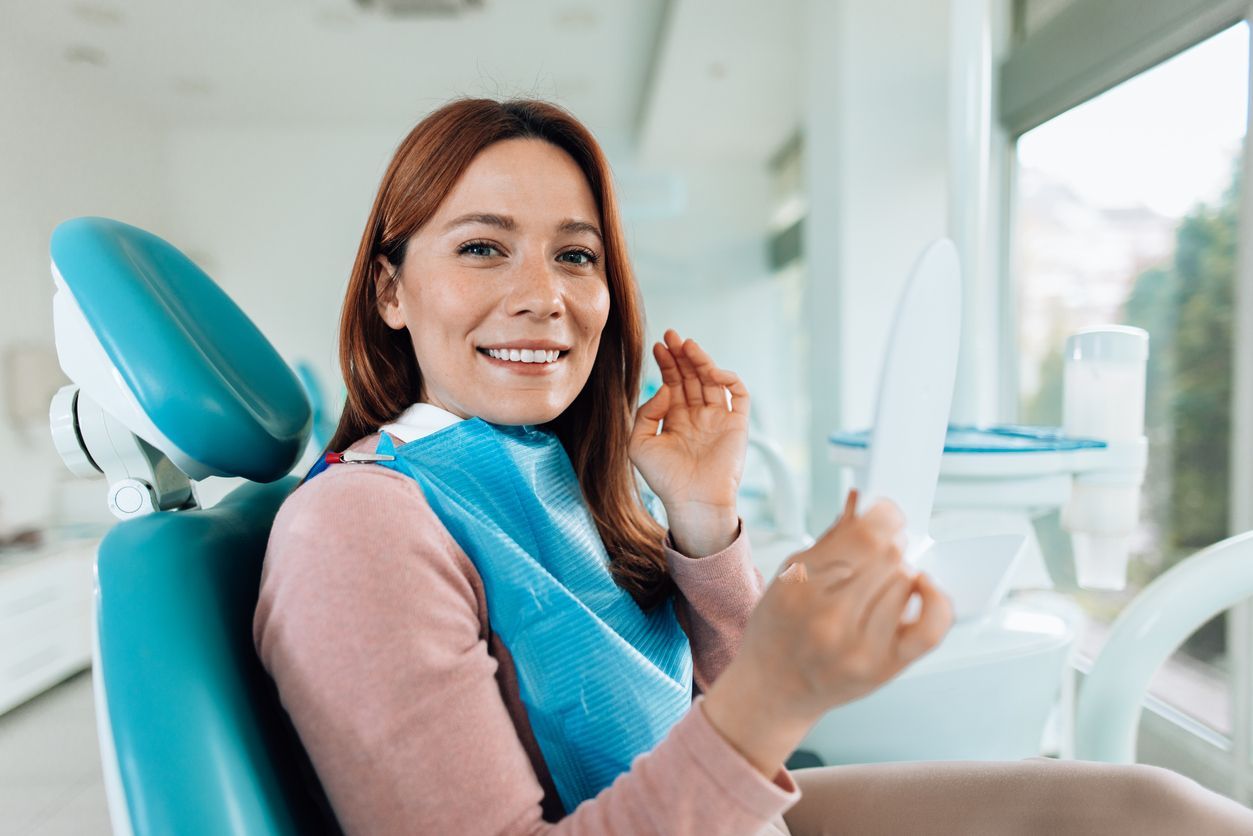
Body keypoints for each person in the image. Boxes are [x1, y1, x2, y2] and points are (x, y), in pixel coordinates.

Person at [253, 98, 1253, 835]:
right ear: (389, 288)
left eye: (574, 255)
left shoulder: (535, 468)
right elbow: (746, 720)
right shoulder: (354, 527)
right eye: (481, 248)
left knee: (1152, 809)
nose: (543, 297)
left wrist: (701, 517)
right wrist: (775, 688)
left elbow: (709, 719)